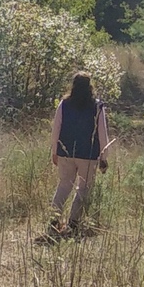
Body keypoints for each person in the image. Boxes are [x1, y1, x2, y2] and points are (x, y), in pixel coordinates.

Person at [47, 71, 111, 236]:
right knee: (84, 188)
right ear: (90, 86)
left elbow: (56, 130)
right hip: (88, 155)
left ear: (73, 86)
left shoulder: (64, 104)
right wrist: (104, 157)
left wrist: (55, 151)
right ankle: (73, 224)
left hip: (65, 152)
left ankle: (53, 222)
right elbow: (103, 134)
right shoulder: (97, 106)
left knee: (64, 185)